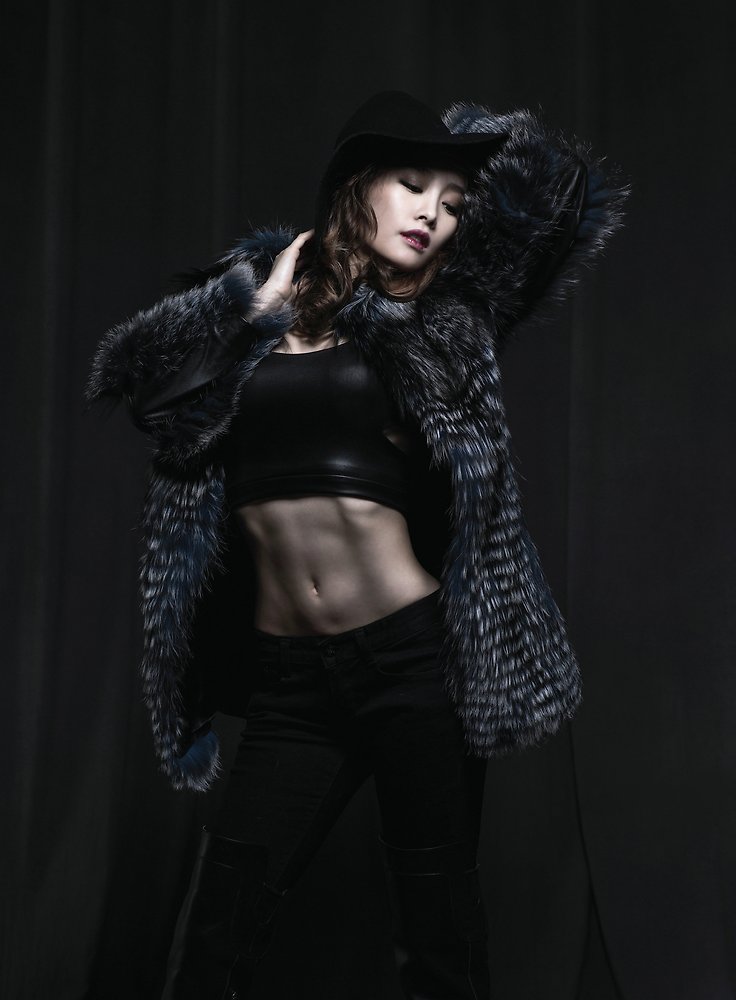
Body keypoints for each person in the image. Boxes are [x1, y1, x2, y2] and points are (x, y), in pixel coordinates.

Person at [85, 90, 628, 999]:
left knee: (439, 943)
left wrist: (462, 145)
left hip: (413, 663)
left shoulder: (442, 320)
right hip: (292, 683)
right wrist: (254, 311)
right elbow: (150, 401)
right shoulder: (248, 308)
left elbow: (559, 190)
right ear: (355, 185)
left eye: (452, 203)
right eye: (410, 184)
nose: (431, 213)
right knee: (216, 938)